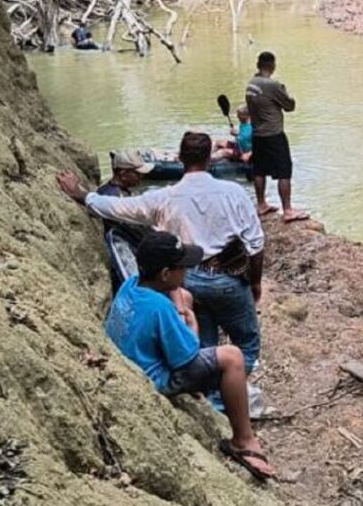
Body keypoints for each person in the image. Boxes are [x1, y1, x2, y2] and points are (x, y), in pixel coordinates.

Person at [57, 131, 265, 374]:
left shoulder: (164, 198)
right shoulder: (234, 193)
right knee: (247, 346)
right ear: (209, 159)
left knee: (205, 344)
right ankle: (235, 390)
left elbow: (117, 207)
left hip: (187, 278)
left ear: (180, 158)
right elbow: (255, 243)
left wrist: (82, 194)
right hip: (226, 278)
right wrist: (255, 282)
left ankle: (215, 399)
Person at [105, 231, 274, 480]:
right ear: (165, 274)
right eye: (182, 268)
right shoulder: (159, 308)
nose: (186, 272)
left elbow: (176, 294)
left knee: (184, 296)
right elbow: (184, 357)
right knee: (233, 357)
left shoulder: (131, 284)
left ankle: (204, 388)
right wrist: (191, 325)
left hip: (131, 357)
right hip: (156, 378)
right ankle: (243, 440)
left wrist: (182, 306)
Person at [245, 51, 308, 223]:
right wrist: (286, 92)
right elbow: (290, 106)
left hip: (257, 134)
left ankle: (261, 204)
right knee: (284, 171)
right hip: (273, 134)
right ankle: (287, 210)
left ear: (258, 65)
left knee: (259, 170)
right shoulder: (273, 85)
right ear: (272, 65)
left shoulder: (251, 84)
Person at [97, 151, 154, 293]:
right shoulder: (113, 198)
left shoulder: (118, 192)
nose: (141, 177)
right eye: (137, 173)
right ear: (123, 174)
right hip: (124, 252)